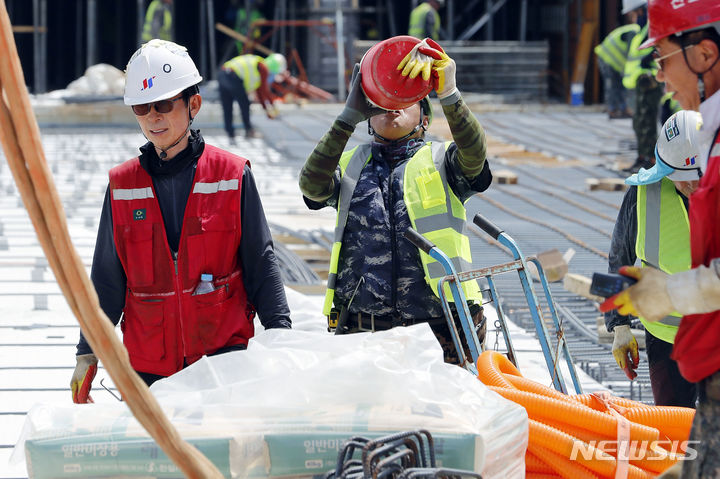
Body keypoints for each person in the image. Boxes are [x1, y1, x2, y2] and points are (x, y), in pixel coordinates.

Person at [70, 40, 291, 402]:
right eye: (142, 107)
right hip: (149, 370)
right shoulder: (122, 186)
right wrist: (87, 352)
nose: (153, 117)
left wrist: (281, 336)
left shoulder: (231, 175)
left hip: (222, 364)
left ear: (194, 104)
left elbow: (260, 262)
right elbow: (107, 279)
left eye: (163, 104)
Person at [298, 38, 491, 364]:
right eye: (382, 103)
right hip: (364, 332)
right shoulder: (349, 165)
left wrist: (450, 94)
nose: (393, 107)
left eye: (407, 99)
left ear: (424, 118)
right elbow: (312, 185)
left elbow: (475, 154)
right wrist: (347, 117)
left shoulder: (444, 160)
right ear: (369, 119)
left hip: (443, 330)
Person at [600, 2, 720, 476]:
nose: (660, 79)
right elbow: (618, 256)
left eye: (663, 59)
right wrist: (621, 325)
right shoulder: (651, 188)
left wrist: (669, 291)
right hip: (673, 343)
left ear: (704, 53)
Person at [604, 110, 702, 408]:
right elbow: (619, 256)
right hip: (666, 337)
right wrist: (619, 326)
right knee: (673, 429)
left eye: (695, 177)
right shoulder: (645, 193)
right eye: (679, 179)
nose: (688, 186)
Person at [622, 0, 663, 173]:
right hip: (640, 81)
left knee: (647, 121)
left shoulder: (653, 26)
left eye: (635, 13)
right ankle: (642, 157)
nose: (633, 18)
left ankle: (650, 159)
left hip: (650, 81)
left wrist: (651, 58)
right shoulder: (642, 31)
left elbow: (659, 46)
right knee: (640, 122)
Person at [218, 52, 286, 142]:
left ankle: (230, 132)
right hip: (233, 76)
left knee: (227, 105)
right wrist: (271, 106)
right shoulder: (263, 68)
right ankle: (248, 130)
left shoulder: (257, 63)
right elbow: (263, 91)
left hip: (223, 73)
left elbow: (259, 91)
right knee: (245, 104)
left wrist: (266, 109)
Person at [594, 2, 640, 119]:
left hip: (611, 60)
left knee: (618, 84)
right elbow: (631, 54)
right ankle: (613, 110)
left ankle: (622, 108)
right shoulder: (635, 33)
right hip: (607, 59)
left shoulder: (635, 30)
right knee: (613, 85)